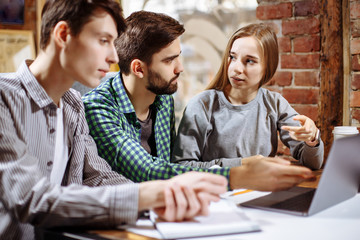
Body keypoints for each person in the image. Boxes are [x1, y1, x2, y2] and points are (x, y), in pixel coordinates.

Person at [0, 1, 229, 239]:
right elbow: (32, 199)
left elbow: (97, 176)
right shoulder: (3, 99)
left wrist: (156, 202)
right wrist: (150, 194)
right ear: (63, 35)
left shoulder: (73, 105)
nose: (113, 56)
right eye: (103, 41)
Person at [83, 11, 315, 192]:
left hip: (168, 206)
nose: (180, 68)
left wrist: (312, 139)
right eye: (170, 60)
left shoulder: (163, 99)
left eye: (179, 56)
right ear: (138, 69)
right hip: (123, 216)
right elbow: (147, 171)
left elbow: (170, 166)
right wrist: (239, 171)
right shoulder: (99, 107)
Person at [172, 23, 324, 171]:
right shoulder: (202, 105)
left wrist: (312, 139)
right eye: (232, 57)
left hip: (262, 191)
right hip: (217, 193)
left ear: (267, 68)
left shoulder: (275, 104)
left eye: (249, 61)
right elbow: (182, 167)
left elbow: (314, 163)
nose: (237, 68)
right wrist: (242, 163)